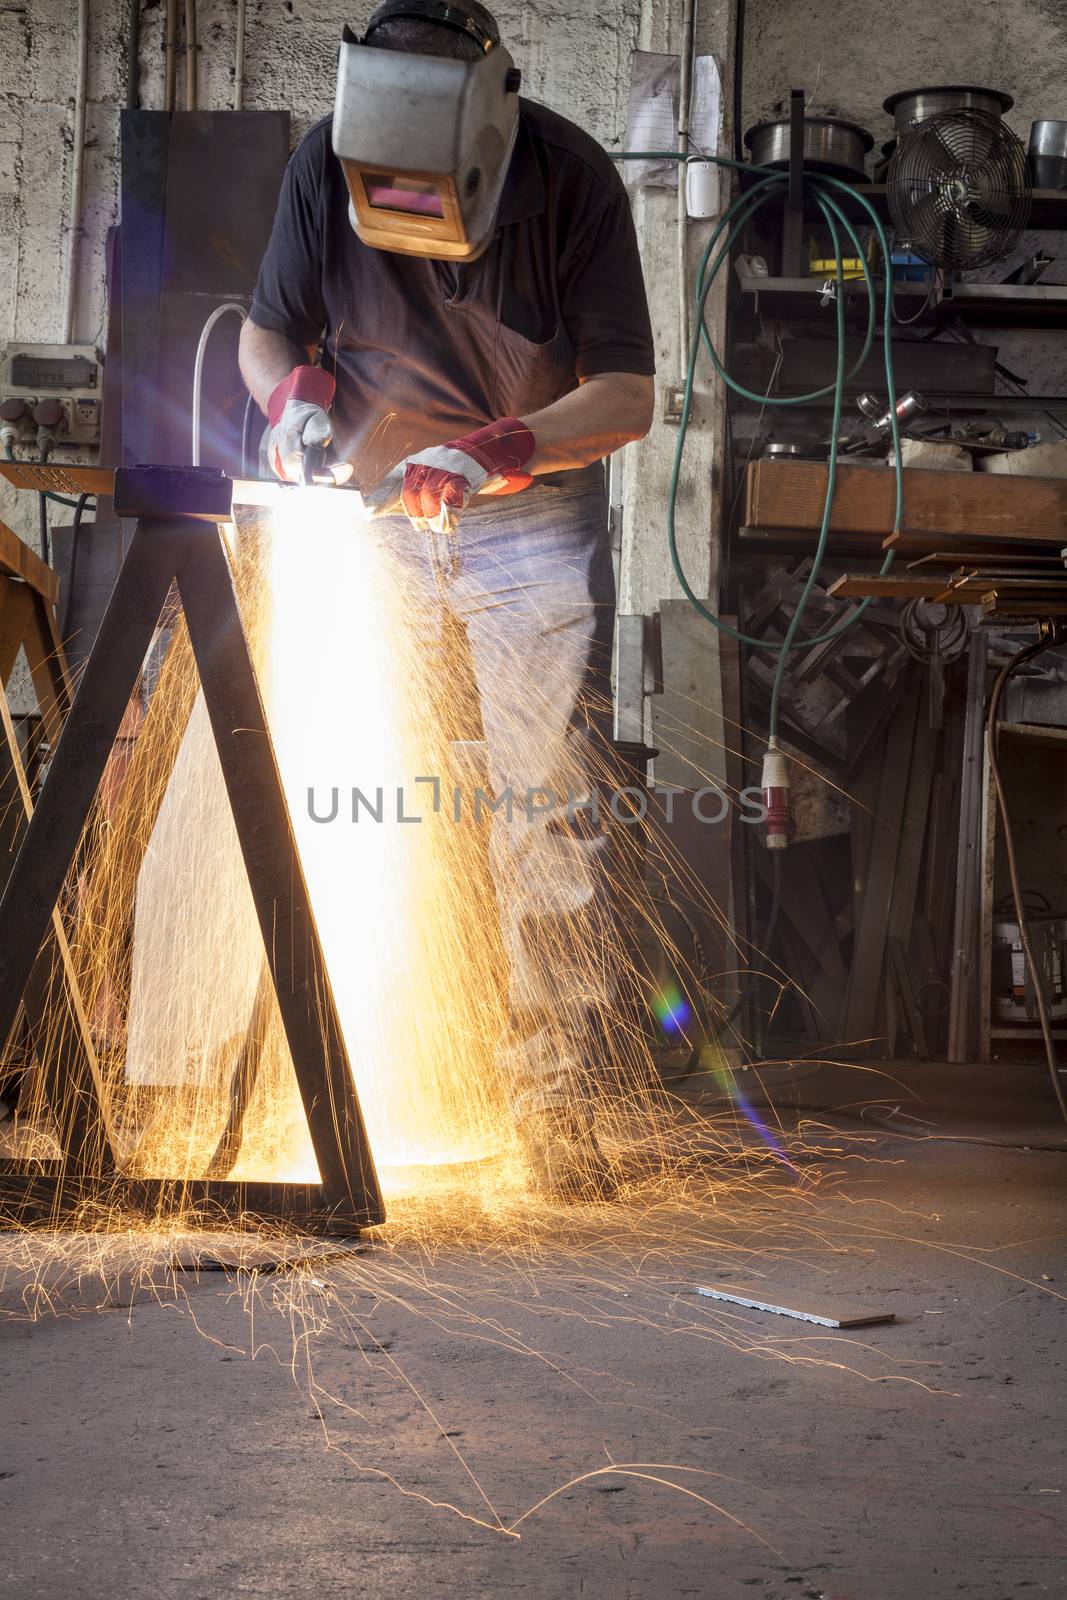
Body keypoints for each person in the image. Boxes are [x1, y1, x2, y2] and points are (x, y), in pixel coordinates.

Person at [239, 0, 655, 1200]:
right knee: (358, 795)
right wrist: (294, 411)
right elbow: (267, 339)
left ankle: (551, 1110)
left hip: (521, 514)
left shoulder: (573, 181)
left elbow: (626, 396)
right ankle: (365, 1084)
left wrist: (498, 449)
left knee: (541, 804)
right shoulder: (323, 160)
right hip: (372, 510)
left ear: (491, 130)